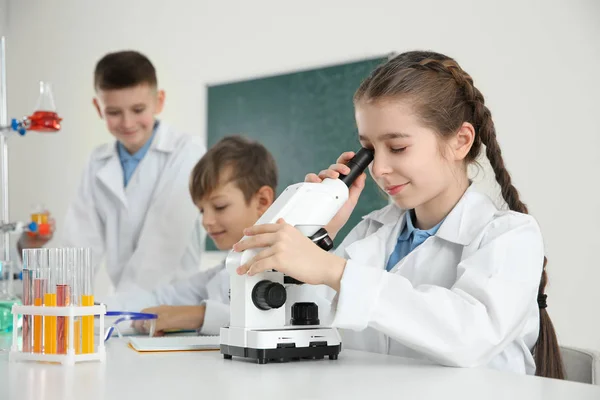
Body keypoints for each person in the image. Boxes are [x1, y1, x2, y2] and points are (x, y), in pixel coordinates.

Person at [234, 51, 564, 378]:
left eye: (398, 148)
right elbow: (308, 328)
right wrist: (319, 233)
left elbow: (471, 336)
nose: (379, 168)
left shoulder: (510, 235)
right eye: (370, 150)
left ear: (461, 141)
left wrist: (336, 270)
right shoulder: (371, 233)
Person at [61, 50, 205, 293]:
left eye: (138, 110)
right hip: (125, 308)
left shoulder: (187, 152)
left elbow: (161, 246)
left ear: (158, 101)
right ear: (98, 108)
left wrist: (120, 308)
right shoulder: (97, 162)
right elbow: (78, 244)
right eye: (114, 112)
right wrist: (60, 304)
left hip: (175, 302)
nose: (127, 123)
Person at [103, 135, 277, 336]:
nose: (206, 221)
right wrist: (91, 311)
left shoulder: (291, 263)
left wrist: (200, 315)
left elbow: (284, 322)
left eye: (219, 206)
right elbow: (163, 298)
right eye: (202, 210)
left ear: (262, 201)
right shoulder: (225, 271)